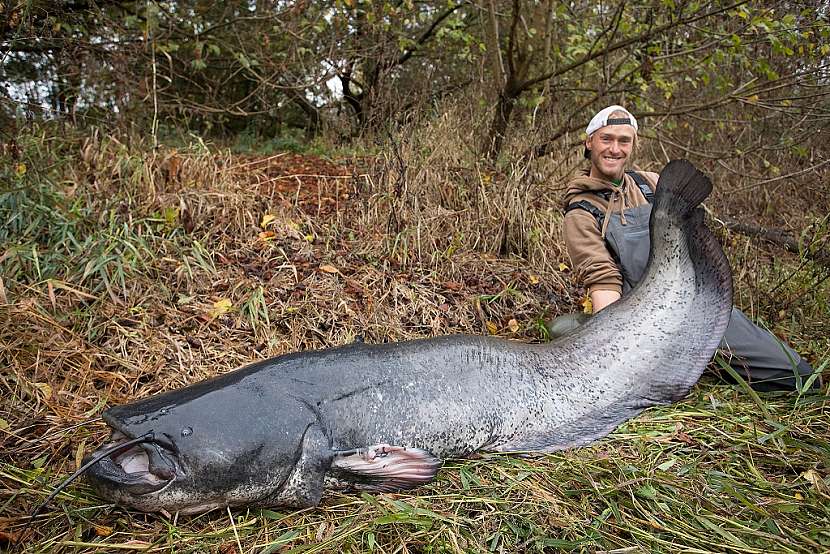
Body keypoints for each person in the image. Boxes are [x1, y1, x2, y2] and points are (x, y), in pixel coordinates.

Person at [550, 105, 818, 392]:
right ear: (589, 142)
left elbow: (699, 246)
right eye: (607, 139)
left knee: (800, 378)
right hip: (645, 323)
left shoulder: (651, 184)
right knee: (565, 332)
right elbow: (604, 284)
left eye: (624, 140)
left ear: (633, 145)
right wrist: (620, 355)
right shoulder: (581, 213)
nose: (615, 149)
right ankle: (583, 333)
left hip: (698, 305)